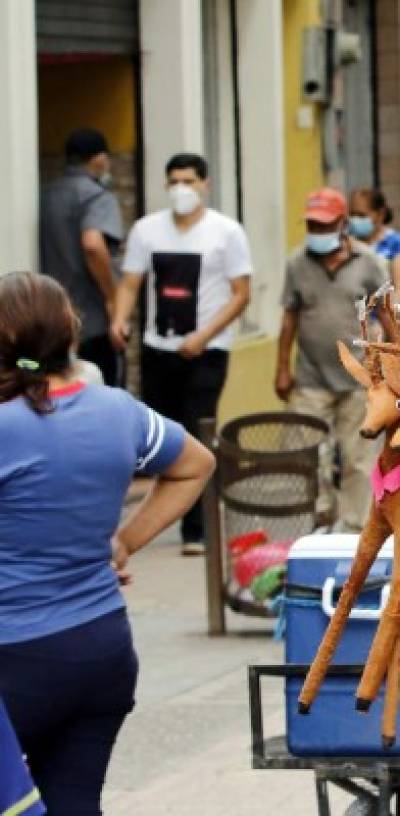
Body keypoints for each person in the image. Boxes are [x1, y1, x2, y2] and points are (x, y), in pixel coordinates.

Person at [0, 272, 214, 814]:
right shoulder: (118, 410)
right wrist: (122, 543)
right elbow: (196, 464)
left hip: (15, 662)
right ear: (71, 332)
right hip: (100, 650)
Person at [110, 152, 252, 555]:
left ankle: (198, 530)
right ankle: (155, 519)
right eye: (174, 181)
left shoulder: (226, 232)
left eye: (188, 181)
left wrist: (205, 335)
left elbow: (241, 294)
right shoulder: (146, 230)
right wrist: (120, 318)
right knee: (158, 437)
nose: (181, 189)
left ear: (205, 184)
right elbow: (130, 282)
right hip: (159, 347)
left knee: (197, 432)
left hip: (207, 351)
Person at [276, 188, 387, 531]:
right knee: (307, 457)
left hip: (359, 379)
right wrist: (281, 369)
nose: (318, 232)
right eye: (312, 225)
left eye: (325, 226)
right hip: (310, 379)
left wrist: (396, 369)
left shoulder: (369, 263)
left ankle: (355, 529)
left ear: (343, 224)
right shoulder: (297, 263)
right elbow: (290, 319)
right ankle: (316, 520)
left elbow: (387, 316)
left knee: (358, 460)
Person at [39, 128, 124, 386]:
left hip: (50, 321)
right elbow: (93, 245)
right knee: (101, 395)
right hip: (91, 321)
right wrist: (112, 298)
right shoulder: (96, 197)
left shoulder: (46, 194)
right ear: (98, 159)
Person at [348, 188, 400, 301]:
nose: (355, 220)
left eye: (361, 215)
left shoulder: (395, 243)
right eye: (352, 214)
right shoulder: (346, 242)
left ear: (380, 214)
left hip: (386, 312)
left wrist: (390, 312)